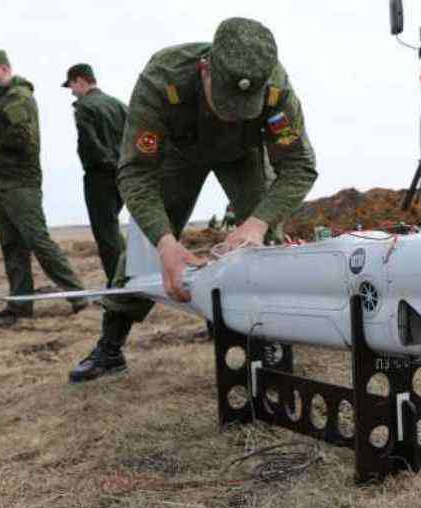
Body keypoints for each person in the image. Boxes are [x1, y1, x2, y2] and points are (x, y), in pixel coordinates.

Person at [68, 17, 318, 382]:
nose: (232, 115)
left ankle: (270, 343)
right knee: (145, 244)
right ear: (205, 70)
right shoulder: (162, 78)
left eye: (242, 107)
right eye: (226, 102)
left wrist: (257, 223)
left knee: (266, 241)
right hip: (180, 154)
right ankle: (110, 346)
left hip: (243, 157)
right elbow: (135, 172)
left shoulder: (276, 88)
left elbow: (299, 166)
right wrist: (165, 243)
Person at [0, 50, 87, 327]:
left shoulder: (17, 97)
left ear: (3, 69)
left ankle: (80, 297)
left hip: (19, 182)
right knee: (12, 246)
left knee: (37, 240)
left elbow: (22, 139)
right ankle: (20, 305)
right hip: (1, 182)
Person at [62, 63, 128, 287]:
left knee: (105, 232)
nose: (71, 91)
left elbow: (90, 143)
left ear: (80, 81)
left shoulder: (84, 107)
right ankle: (126, 275)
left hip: (100, 176)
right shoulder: (119, 105)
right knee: (112, 228)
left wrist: (107, 163)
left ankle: (118, 284)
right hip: (123, 175)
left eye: (71, 85)